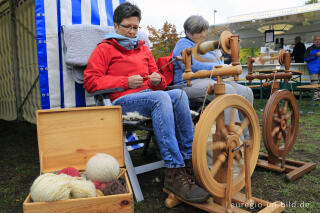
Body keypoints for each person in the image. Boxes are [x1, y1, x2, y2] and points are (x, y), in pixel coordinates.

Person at [83, 2, 210, 203]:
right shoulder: (104, 49)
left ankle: (189, 162)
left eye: (136, 27)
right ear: (116, 26)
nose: (133, 32)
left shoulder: (142, 49)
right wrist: (124, 81)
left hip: (150, 97)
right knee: (160, 97)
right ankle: (174, 172)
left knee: (178, 94)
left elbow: (159, 79)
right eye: (128, 27)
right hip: (121, 101)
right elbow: (90, 82)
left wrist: (159, 79)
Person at [172, 15, 254, 109]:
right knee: (226, 90)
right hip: (188, 84)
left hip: (212, 80)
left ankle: (245, 123)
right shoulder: (182, 44)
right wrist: (220, 68)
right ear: (188, 32)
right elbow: (193, 65)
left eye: (204, 30)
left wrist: (228, 68)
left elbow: (218, 63)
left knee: (246, 91)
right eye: (199, 32)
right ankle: (231, 123)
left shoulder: (204, 46)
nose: (203, 34)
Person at [305, 35, 320, 100]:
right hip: (313, 69)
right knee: (314, 84)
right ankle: (316, 98)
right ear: (314, 41)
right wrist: (315, 55)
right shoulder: (309, 49)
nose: (318, 41)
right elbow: (306, 58)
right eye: (316, 40)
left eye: (319, 40)